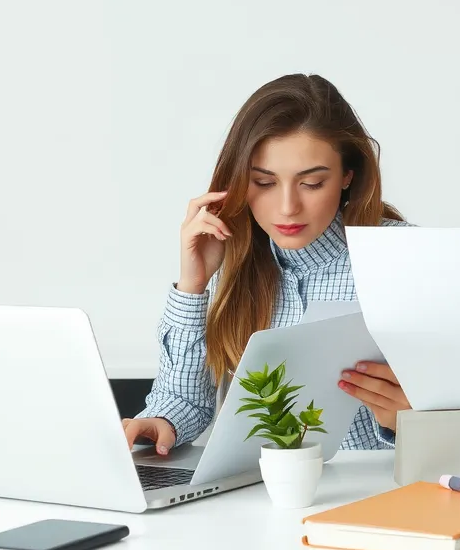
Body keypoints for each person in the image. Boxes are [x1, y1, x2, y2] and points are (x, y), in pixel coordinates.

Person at [122, 74, 412, 455]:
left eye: (311, 184)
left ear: (347, 176)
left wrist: (410, 422)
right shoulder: (236, 258)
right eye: (264, 182)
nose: (287, 208)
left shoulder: (404, 257)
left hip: (375, 502)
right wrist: (193, 284)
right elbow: (185, 404)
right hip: (257, 500)